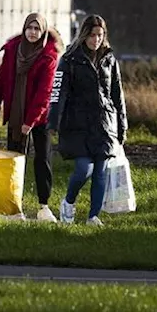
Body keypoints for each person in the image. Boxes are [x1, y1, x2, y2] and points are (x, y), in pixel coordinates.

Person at [48, 14, 127, 227]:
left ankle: (93, 216)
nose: (96, 39)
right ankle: (68, 203)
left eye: (100, 35)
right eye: (92, 35)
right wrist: (53, 120)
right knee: (84, 169)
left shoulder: (109, 59)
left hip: (104, 123)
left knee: (100, 171)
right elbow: (58, 92)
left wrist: (122, 125)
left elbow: (117, 94)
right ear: (84, 35)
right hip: (77, 123)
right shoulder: (69, 59)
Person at [0, 12, 64, 221]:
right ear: (24, 29)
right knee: (14, 159)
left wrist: (30, 121)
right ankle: (14, 206)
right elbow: (1, 80)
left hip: (40, 118)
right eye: (29, 28)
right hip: (15, 114)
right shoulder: (13, 50)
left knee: (42, 159)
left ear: (43, 32)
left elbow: (45, 92)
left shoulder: (48, 55)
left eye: (37, 29)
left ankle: (44, 207)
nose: (32, 32)